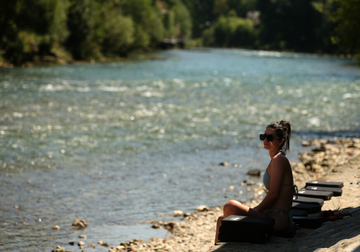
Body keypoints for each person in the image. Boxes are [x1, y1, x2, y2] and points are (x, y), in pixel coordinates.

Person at [215, 120, 294, 244]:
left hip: (278, 220)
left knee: (231, 205)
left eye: (270, 137)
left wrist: (256, 210)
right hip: (270, 215)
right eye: (263, 136)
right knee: (222, 220)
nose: (265, 140)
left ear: (281, 141)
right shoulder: (275, 159)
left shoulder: (279, 160)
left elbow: (274, 193)